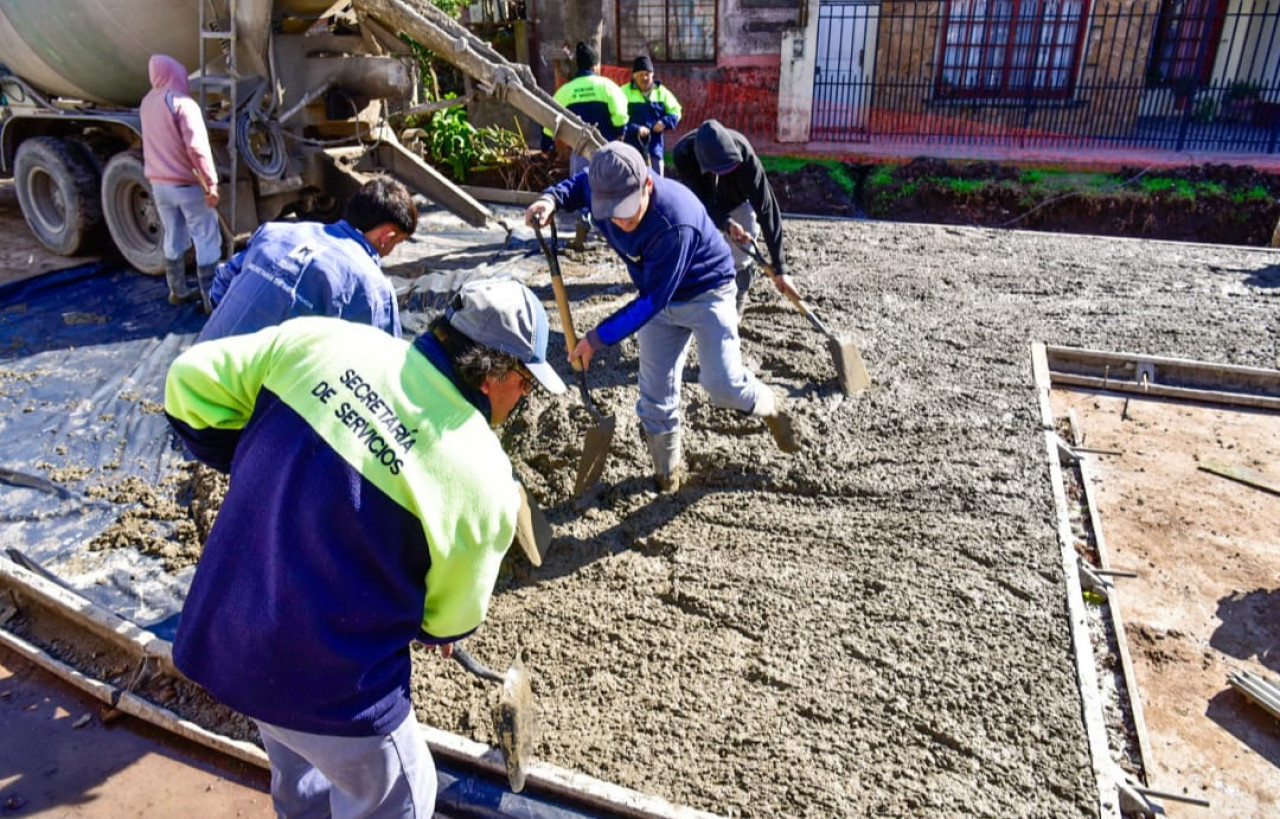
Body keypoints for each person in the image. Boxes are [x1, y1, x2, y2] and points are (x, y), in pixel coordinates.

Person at [164, 277, 566, 817]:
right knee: (404, 793)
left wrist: (266, 464)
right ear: (497, 376)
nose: (524, 399)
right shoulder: (485, 477)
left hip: (230, 637)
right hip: (335, 689)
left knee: (297, 767)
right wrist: (433, 628)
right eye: (527, 385)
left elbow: (185, 384)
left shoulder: (323, 341)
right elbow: (448, 620)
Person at [525, 142, 799, 492]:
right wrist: (550, 199)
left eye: (627, 210)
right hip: (658, 296)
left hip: (706, 293)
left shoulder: (674, 220)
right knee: (653, 396)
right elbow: (578, 185)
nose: (621, 222)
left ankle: (770, 405)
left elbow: (653, 300)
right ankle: (668, 474)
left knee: (722, 384)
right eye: (611, 212)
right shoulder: (603, 187)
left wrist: (596, 339)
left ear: (647, 186)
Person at [198, 176, 415, 343]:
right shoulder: (371, 286)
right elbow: (382, 361)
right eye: (397, 243)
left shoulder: (274, 233)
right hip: (249, 397)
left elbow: (220, 284)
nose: (389, 252)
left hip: (189, 376)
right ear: (387, 236)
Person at [672, 119, 787, 315]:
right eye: (720, 169)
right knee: (695, 242)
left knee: (744, 238)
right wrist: (726, 223)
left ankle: (740, 290)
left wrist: (780, 266)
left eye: (728, 167)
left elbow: (767, 208)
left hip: (735, 198)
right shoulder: (684, 155)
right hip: (704, 200)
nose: (724, 172)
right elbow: (700, 204)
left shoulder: (745, 156)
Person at [140, 54, 223, 310]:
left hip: (159, 185)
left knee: (173, 235)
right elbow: (197, 149)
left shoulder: (147, 102)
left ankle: (177, 291)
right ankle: (212, 300)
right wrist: (211, 185)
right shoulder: (183, 103)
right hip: (187, 185)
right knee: (206, 237)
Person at [541, 41, 628, 248]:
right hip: (607, 150)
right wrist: (619, 135)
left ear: (578, 67)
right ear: (595, 66)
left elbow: (549, 122)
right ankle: (609, 233)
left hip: (579, 152)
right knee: (609, 190)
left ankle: (583, 228)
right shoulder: (608, 87)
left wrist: (546, 147)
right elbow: (621, 117)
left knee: (582, 190)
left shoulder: (565, 91)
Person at [622, 55, 682, 176]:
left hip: (655, 148)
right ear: (634, 76)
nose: (644, 78)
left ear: (652, 74)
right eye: (640, 75)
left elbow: (676, 111)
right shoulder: (623, 92)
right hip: (631, 148)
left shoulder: (662, 92)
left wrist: (664, 122)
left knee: (656, 182)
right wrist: (636, 129)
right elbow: (618, 119)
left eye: (647, 74)